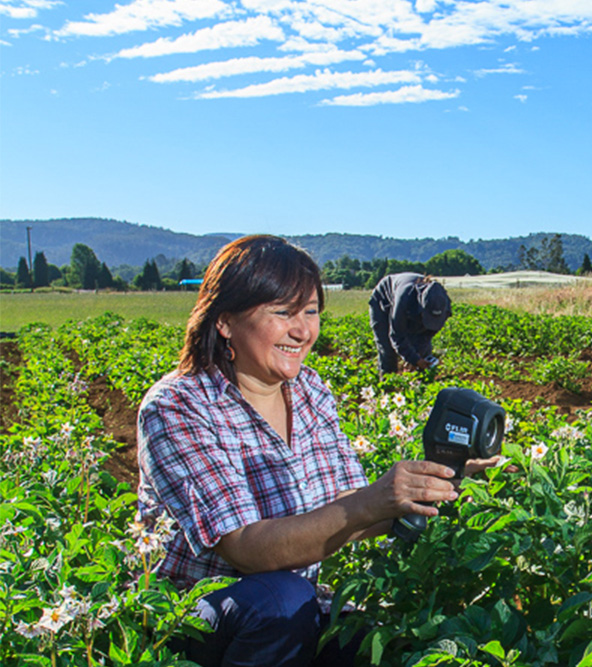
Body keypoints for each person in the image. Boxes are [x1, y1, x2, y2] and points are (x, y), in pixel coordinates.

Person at [137, 235, 496, 667]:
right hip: (194, 623)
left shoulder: (309, 390)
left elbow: (346, 510)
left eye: (310, 311)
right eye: (282, 312)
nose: (302, 330)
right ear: (225, 321)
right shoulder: (179, 406)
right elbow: (247, 549)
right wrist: (372, 500)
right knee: (281, 599)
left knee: (381, 644)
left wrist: (438, 480)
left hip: (295, 611)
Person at [369, 272, 452, 376]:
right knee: (388, 351)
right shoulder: (404, 297)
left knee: (424, 353)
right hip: (382, 302)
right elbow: (396, 335)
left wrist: (418, 357)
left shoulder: (444, 304)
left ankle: (420, 382)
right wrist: (413, 358)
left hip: (411, 309)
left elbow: (429, 333)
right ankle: (387, 381)